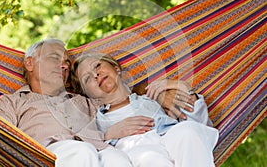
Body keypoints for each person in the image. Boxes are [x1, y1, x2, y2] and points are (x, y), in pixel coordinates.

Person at [0, 39, 133, 167]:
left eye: (67, 62)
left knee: (116, 157)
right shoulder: (13, 101)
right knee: (81, 152)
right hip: (44, 157)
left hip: (97, 149)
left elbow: (121, 100)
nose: (64, 66)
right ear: (30, 63)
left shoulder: (83, 101)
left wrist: (151, 86)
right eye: (54, 58)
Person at [71, 52, 219, 167]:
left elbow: (200, 126)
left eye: (97, 66)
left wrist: (181, 87)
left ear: (116, 68)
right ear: (87, 94)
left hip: (169, 137)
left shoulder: (153, 97)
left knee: (188, 131)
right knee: (150, 159)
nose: (96, 74)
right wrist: (107, 134)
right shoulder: (95, 121)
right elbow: (81, 145)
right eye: (87, 79)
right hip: (137, 153)